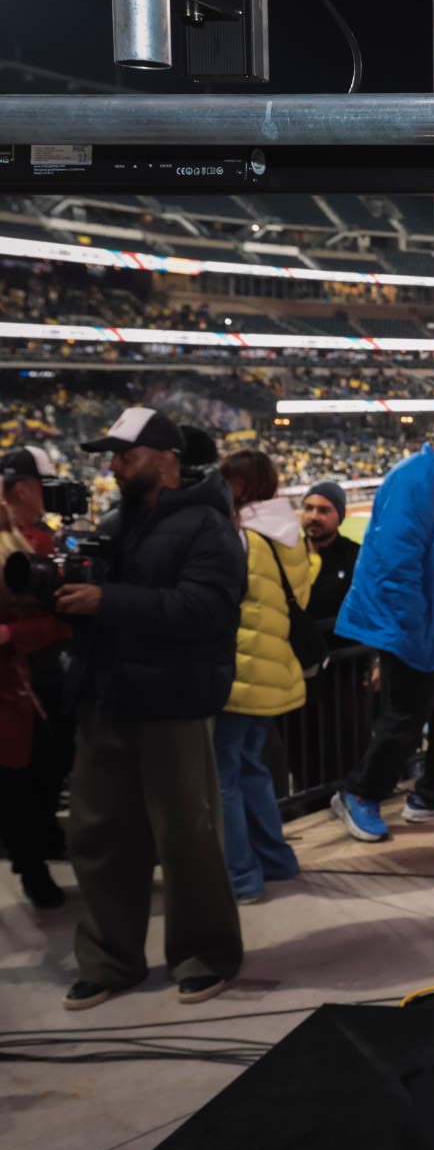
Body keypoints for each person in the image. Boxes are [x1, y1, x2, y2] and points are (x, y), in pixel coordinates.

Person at [58, 408, 248, 1010]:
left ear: (164, 459)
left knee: (186, 837)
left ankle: (207, 953)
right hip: (107, 698)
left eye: (125, 454)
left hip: (173, 702)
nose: (113, 465)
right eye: (111, 455)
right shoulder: (115, 523)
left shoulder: (206, 525)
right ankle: (110, 961)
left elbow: (204, 610)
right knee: (99, 835)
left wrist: (105, 599)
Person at [329, 413, 434, 842]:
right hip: (411, 622)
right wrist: (418, 624)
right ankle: (358, 793)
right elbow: (396, 565)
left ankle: (428, 795)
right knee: (408, 716)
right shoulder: (416, 478)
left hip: (432, 620)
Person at [214, 449, 309, 905]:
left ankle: (242, 878)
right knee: (251, 769)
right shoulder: (288, 529)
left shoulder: (240, 533)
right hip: (276, 668)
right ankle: (276, 859)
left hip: (242, 670)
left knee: (222, 776)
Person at [0, 447, 75, 909]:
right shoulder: (30, 541)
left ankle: (40, 846)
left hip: (36, 675)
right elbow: (58, 619)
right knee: (23, 778)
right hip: (19, 681)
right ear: (25, 488)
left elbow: (58, 619)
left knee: (47, 767)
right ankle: (32, 863)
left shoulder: (36, 538)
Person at [300, 480, 359, 641]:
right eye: (308, 508)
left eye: (323, 510)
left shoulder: (357, 557)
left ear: (339, 516)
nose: (313, 516)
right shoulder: (285, 554)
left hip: (344, 657)